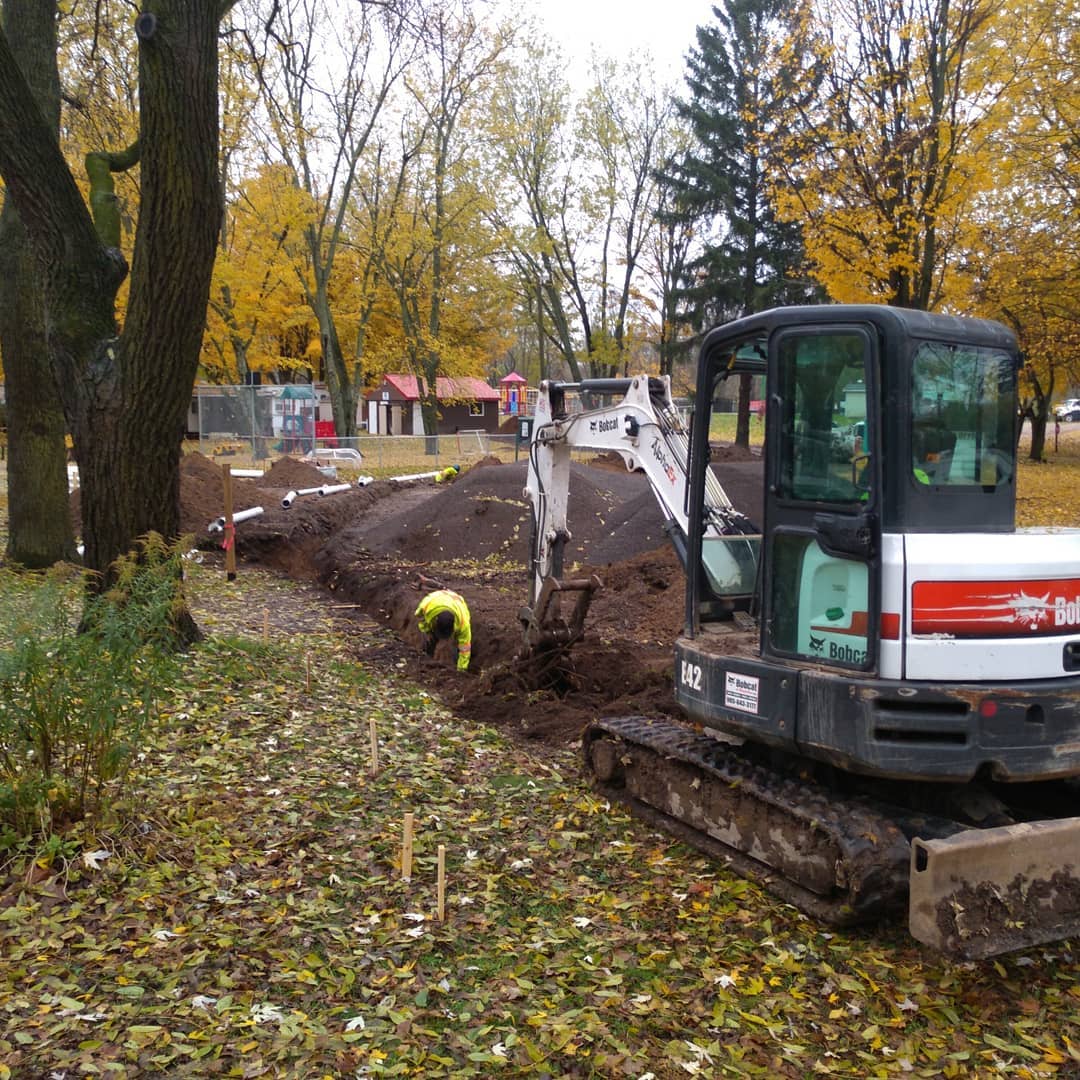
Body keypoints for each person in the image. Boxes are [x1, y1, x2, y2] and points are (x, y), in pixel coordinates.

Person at [414, 589, 472, 671]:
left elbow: (465, 649)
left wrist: (461, 670)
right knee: (430, 639)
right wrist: (426, 630)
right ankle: (426, 656)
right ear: (435, 621)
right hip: (437, 597)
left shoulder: (463, 624)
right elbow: (419, 616)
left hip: (458, 602)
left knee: (458, 646)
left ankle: (456, 665)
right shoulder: (426, 606)